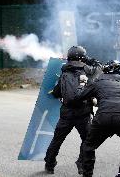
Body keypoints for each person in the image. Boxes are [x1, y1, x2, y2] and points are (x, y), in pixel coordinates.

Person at [72, 60, 120, 177]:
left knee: (88, 146)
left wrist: (82, 83)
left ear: (105, 70)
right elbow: (119, 101)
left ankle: (87, 174)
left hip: (103, 118)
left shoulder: (98, 82)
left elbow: (79, 97)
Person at [44, 46, 102, 175]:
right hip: (84, 113)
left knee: (57, 140)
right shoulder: (89, 71)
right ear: (83, 57)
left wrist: (56, 93)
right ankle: (81, 164)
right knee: (87, 140)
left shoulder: (64, 73)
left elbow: (56, 92)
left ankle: (49, 164)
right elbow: (100, 68)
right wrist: (90, 59)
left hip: (66, 113)